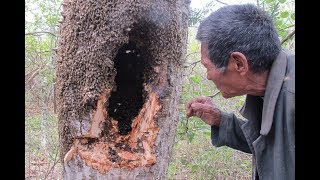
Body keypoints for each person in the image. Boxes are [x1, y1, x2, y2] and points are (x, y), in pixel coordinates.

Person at [185, 4, 294, 180]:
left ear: (239, 64)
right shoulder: (266, 86)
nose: (208, 77)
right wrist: (220, 120)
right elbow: (274, 147)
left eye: (207, 67)